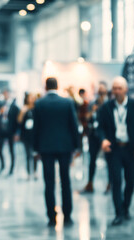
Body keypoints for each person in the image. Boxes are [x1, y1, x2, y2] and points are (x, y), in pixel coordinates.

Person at [98, 76, 134, 226]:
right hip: (114, 149)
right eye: (114, 88)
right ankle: (118, 213)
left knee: (130, 181)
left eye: (119, 88)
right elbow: (100, 128)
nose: (116, 91)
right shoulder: (106, 107)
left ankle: (126, 207)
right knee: (116, 181)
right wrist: (103, 139)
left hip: (131, 149)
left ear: (126, 89)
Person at [33, 78, 80, 227]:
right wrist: (77, 146)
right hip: (64, 147)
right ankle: (67, 215)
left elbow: (36, 128)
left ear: (46, 87)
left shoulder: (39, 103)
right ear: (57, 86)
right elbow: (74, 125)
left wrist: (36, 149)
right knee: (65, 181)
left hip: (46, 147)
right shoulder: (67, 103)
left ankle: (51, 216)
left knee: (49, 182)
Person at [81, 81, 110, 193]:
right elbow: (87, 118)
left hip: (106, 135)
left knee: (109, 160)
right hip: (93, 134)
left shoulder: (109, 104)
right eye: (100, 91)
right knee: (92, 159)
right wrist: (93, 110)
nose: (101, 93)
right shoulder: (93, 103)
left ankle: (109, 183)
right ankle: (90, 183)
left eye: (103, 91)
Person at [0, 90, 20, 176]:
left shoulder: (15, 107)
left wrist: (17, 133)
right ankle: (2, 165)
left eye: (6, 93)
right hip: (1, 130)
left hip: (10, 131)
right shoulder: (0, 104)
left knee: (11, 150)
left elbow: (18, 121)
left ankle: (11, 169)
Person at [17, 92, 38, 180]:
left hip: (35, 135)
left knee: (35, 154)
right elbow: (19, 121)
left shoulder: (36, 109)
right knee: (28, 154)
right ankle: (29, 172)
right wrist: (22, 112)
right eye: (30, 97)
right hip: (26, 135)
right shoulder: (24, 109)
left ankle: (35, 171)